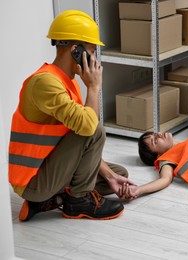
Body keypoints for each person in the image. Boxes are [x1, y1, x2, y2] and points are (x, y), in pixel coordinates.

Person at [8, 10, 135, 222]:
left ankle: (52, 199)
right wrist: (94, 88)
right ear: (76, 51)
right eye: (92, 52)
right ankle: (77, 201)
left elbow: (79, 136)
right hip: (33, 180)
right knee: (95, 129)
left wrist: (111, 176)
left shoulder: (67, 82)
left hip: (49, 167)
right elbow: (88, 129)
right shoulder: (45, 83)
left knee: (117, 173)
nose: (94, 59)